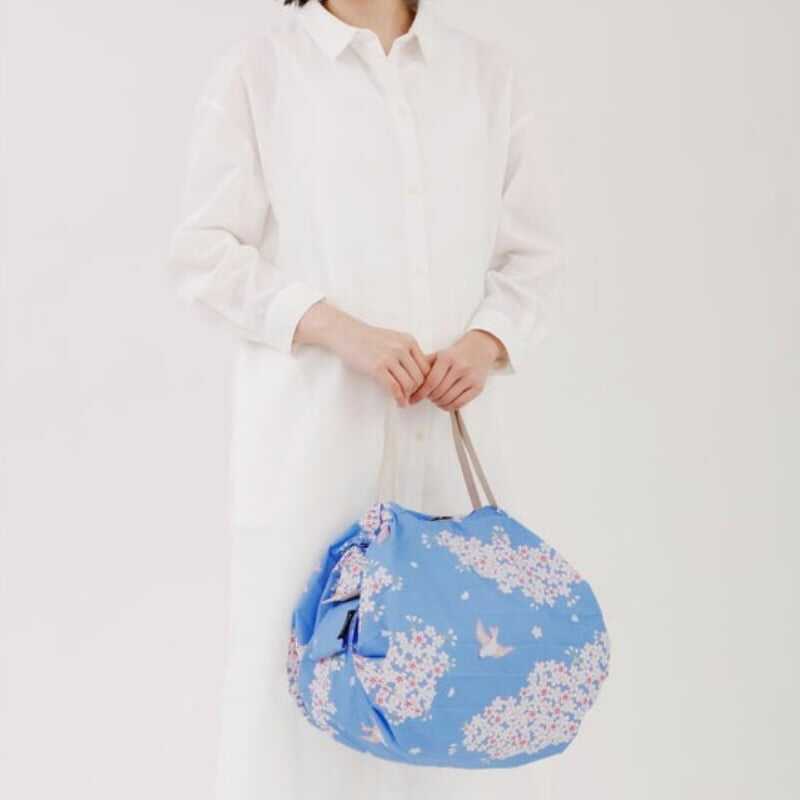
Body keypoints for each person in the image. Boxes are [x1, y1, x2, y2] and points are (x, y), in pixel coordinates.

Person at [166, 1, 563, 798]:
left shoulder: (484, 76)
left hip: (450, 452)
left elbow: (535, 254)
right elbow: (204, 253)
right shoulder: (261, 70)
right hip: (313, 448)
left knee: (458, 693)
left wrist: (486, 342)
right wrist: (338, 329)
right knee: (299, 712)